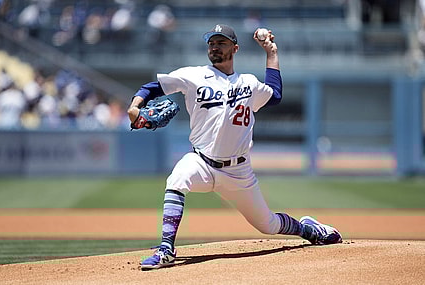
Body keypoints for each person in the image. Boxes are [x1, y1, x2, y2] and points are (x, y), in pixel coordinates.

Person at [127, 24, 342, 270]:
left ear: (235, 48)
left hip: (238, 172)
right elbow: (151, 87)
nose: (215, 47)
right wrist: (135, 106)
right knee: (176, 179)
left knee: (268, 225)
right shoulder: (193, 75)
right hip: (201, 161)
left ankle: (308, 229)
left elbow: (276, 95)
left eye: (221, 43)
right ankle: (166, 249)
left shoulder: (248, 83)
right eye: (211, 43)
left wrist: (271, 53)